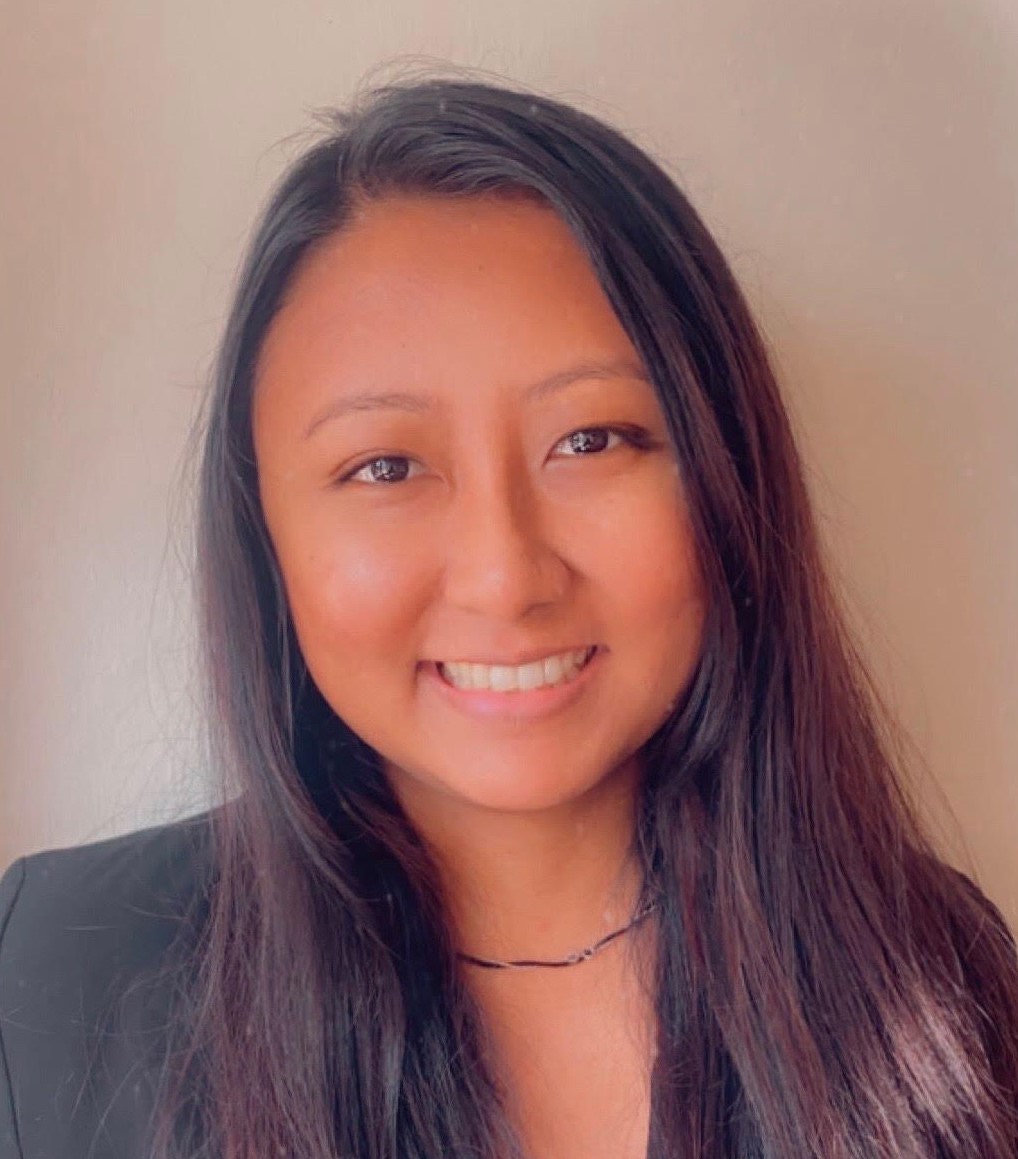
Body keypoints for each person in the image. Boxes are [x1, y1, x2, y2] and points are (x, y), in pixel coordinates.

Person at [1, 76, 1016, 1159]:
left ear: (728, 479)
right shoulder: (54, 976)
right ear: (266, 534)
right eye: (385, 465)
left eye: (592, 440)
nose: (504, 577)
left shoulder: (930, 963)